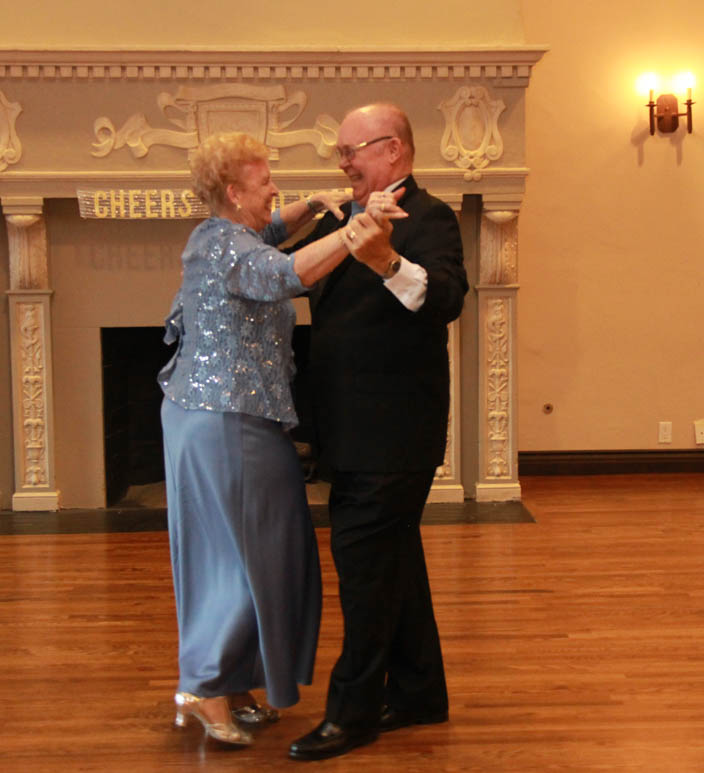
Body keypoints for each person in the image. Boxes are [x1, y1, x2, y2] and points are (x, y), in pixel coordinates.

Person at [158, 132, 372, 747]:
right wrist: (355, 232)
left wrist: (313, 206)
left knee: (265, 555)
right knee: (238, 558)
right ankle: (202, 686)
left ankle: (232, 680)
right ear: (233, 192)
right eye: (265, 181)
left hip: (229, 417)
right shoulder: (223, 244)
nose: (276, 188)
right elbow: (286, 272)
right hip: (225, 420)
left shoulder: (227, 235)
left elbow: (272, 233)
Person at [288, 103, 469, 761]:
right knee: (392, 559)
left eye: (351, 151)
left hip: (397, 433)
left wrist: (388, 261)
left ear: (394, 149)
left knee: (364, 571)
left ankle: (353, 712)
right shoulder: (339, 217)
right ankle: (420, 692)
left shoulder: (430, 218)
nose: (343, 163)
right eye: (340, 153)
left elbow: (447, 299)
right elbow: (276, 275)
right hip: (349, 430)